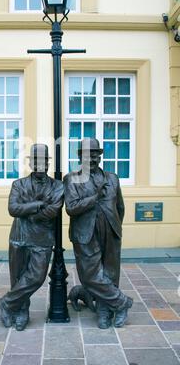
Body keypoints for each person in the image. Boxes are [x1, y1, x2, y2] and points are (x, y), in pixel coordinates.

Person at [64, 138, 133, 328]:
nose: (91, 159)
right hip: (85, 232)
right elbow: (71, 207)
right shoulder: (72, 179)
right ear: (80, 157)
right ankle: (122, 302)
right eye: (87, 156)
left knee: (110, 272)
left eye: (94, 155)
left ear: (100, 156)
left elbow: (119, 207)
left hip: (110, 230)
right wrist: (94, 198)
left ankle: (104, 312)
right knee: (89, 274)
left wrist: (114, 225)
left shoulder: (113, 178)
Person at [0, 143, 64, 331]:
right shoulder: (18, 184)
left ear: (48, 163)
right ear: (31, 163)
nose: (39, 164)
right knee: (18, 278)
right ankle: (21, 311)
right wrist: (37, 204)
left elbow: (53, 211)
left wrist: (27, 211)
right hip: (19, 237)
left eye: (43, 160)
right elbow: (13, 209)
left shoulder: (58, 186)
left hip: (42, 239)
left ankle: (7, 303)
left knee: (36, 277)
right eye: (36, 160)